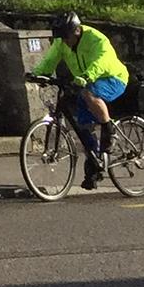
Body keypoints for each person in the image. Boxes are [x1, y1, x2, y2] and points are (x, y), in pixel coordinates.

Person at [32, 11, 131, 185]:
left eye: (66, 37)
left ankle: (109, 130)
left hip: (113, 79)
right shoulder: (62, 42)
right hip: (85, 81)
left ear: (76, 31)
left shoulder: (96, 39)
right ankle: (94, 166)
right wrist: (37, 74)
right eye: (61, 38)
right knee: (85, 127)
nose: (63, 42)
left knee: (88, 93)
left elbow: (102, 61)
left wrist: (87, 76)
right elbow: (50, 59)